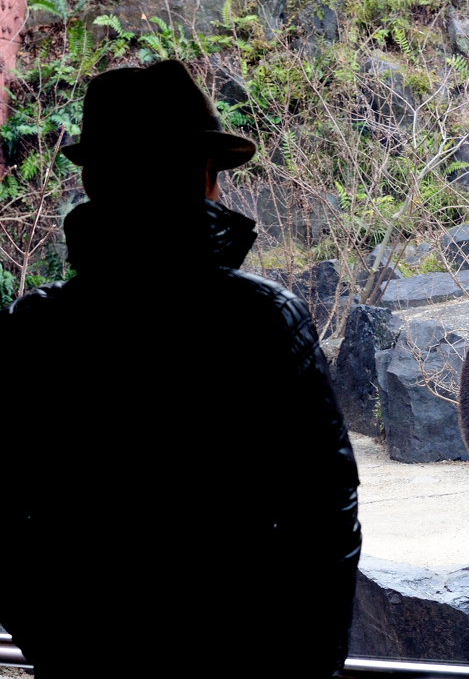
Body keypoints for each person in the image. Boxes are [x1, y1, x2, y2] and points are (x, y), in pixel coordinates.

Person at [0, 60, 361, 678]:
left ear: (93, 182)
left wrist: (61, 644)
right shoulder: (263, 320)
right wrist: (306, 670)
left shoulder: (37, 328)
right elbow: (326, 520)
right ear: (201, 177)